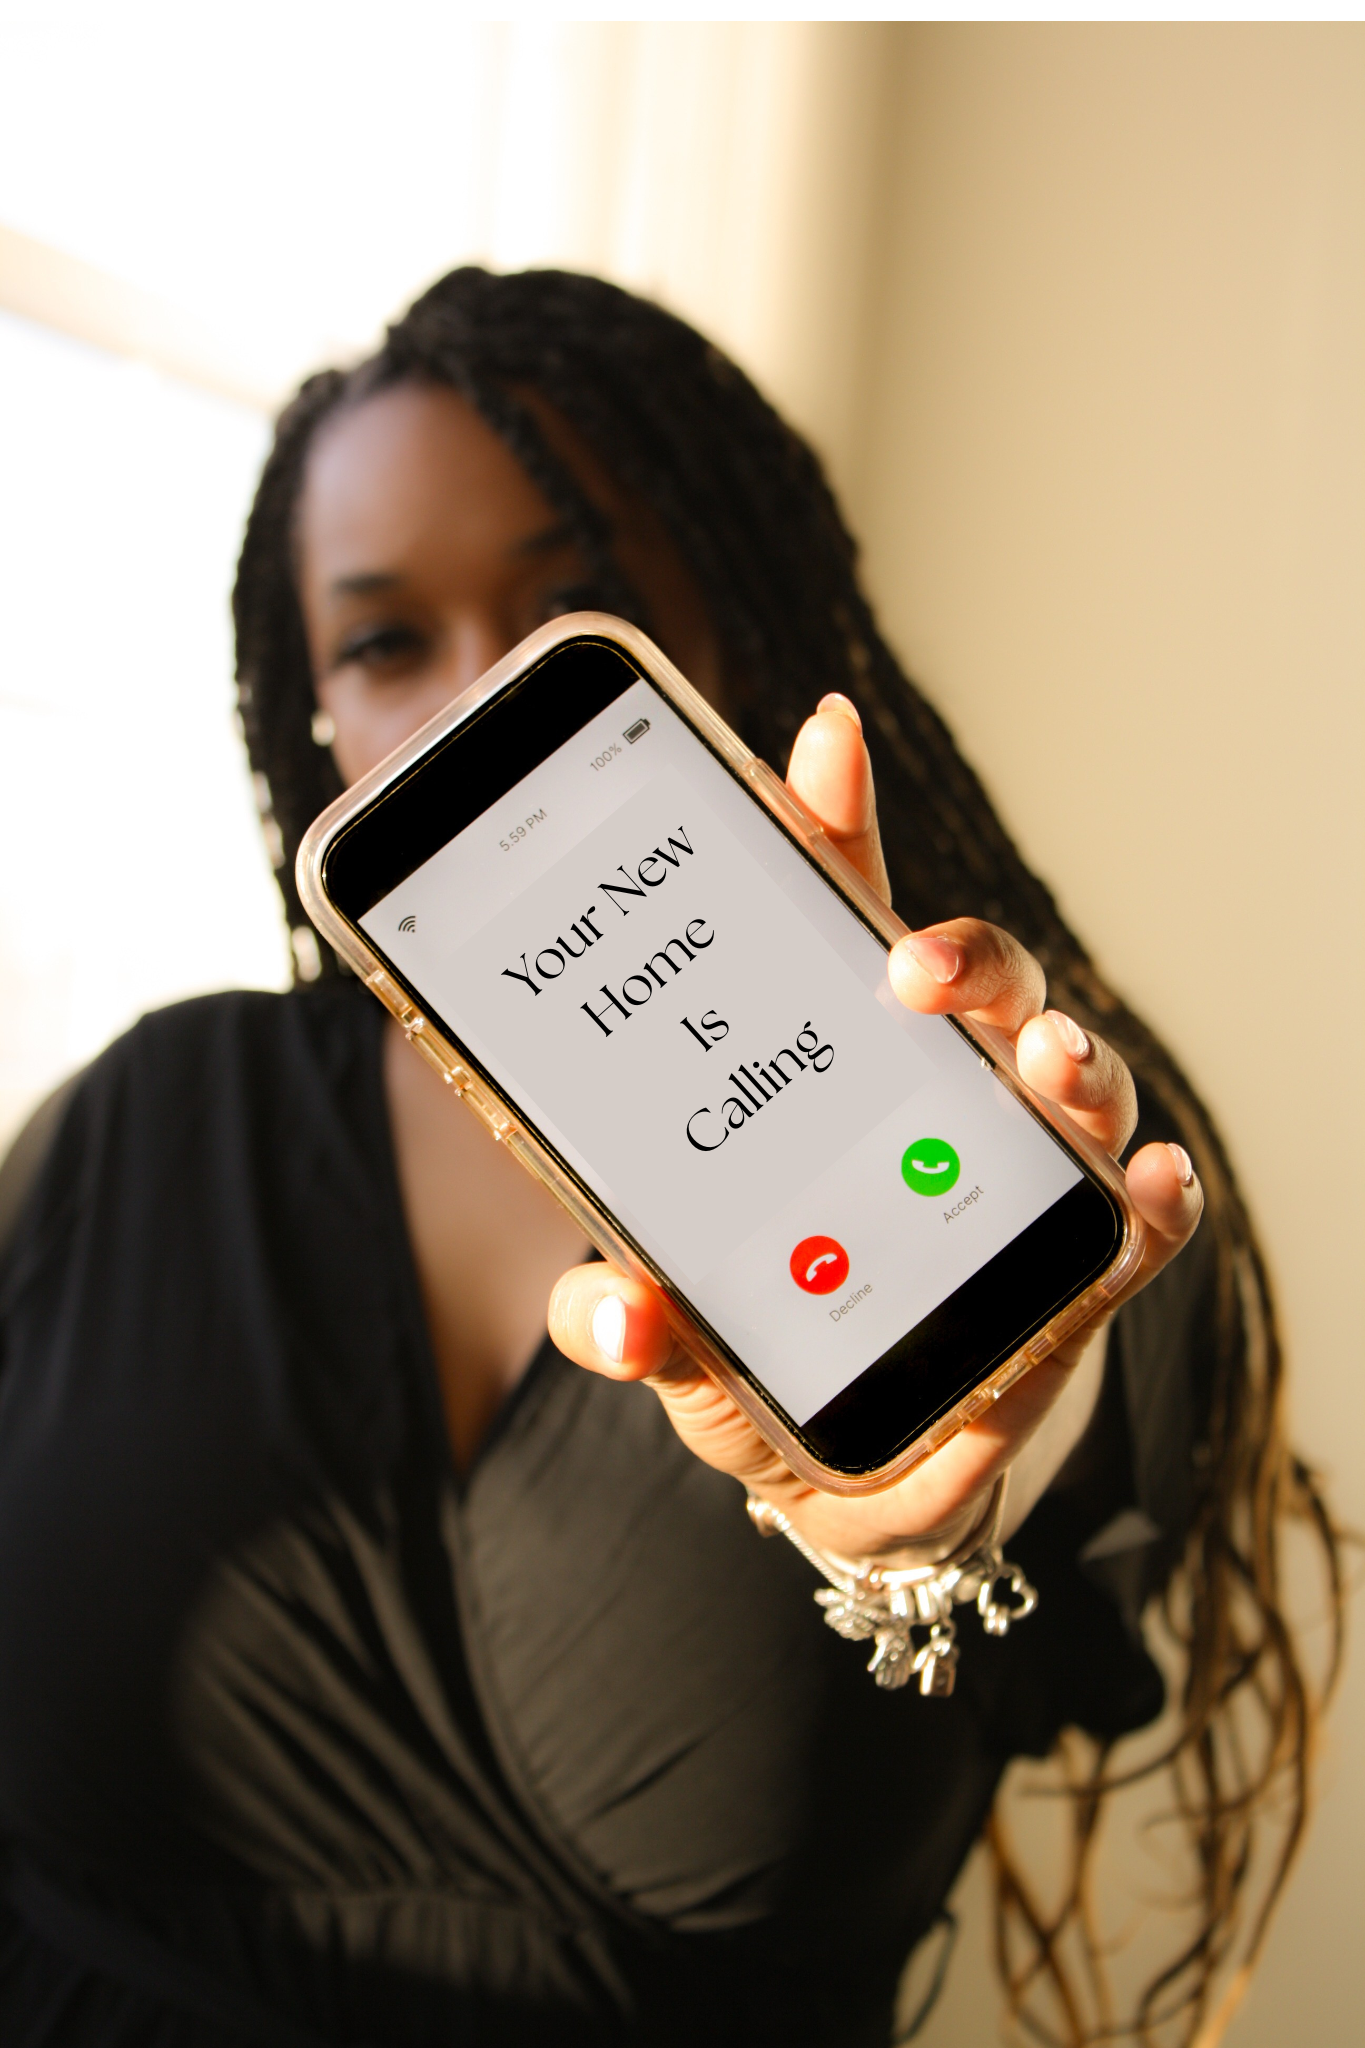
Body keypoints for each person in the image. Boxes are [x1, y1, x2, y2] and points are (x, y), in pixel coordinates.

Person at [0, 268, 1339, 2048]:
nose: (476, 696)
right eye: (386, 642)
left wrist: (910, 1536)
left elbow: (1056, 1435)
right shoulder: (139, 1130)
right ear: (308, 705)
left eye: (581, 606)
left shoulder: (1006, 1102)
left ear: (734, 632)